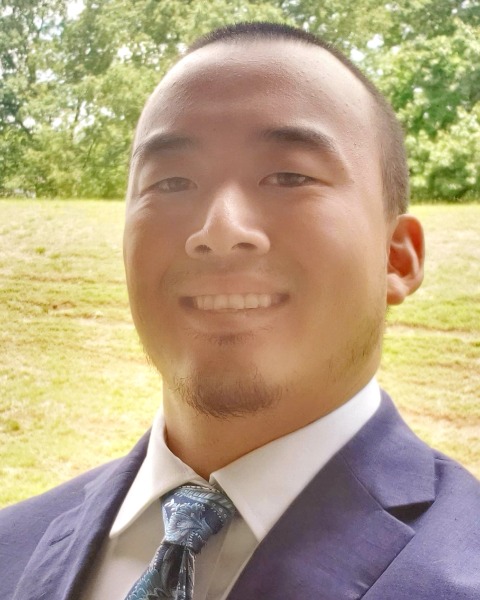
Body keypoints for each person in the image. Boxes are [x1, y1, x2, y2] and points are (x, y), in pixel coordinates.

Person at [1, 21, 479, 600]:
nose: (219, 229)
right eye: (171, 182)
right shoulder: (10, 544)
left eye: (289, 176)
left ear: (397, 258)